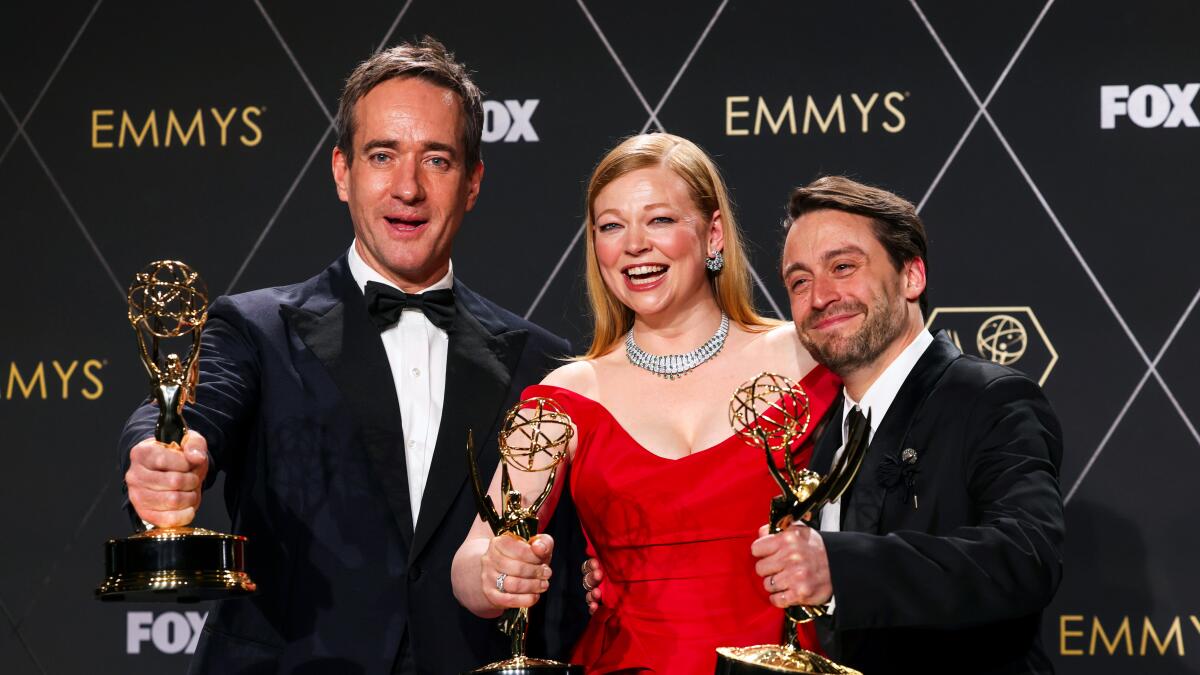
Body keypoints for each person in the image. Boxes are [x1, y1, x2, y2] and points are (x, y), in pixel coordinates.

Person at [119, 38, 584, 675]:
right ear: (342, 172)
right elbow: (188, 412)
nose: (408, 188)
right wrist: (161, 457)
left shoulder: (542, 362)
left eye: (437, 160)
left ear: (473, 182)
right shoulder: (256, 328)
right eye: (382, 155)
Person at [451, 133, 841, 673]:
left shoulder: (808, 358)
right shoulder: (567, 396)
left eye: (659, 220)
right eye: (611, 226)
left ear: (713, 234)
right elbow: (473, 559)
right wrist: (498, 571)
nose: (634, 244)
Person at [751, 175, 1064, 673]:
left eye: (843, 267)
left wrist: (842, 567)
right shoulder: (825, 435)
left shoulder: (989, 398)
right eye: (799, 282)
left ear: (911, 276)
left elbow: (1026, 557)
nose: (820, 296)